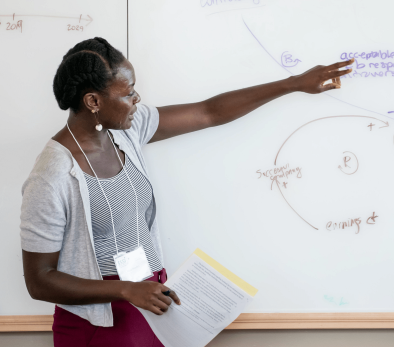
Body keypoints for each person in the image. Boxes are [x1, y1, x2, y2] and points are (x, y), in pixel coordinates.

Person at [20, 37, 353, 346]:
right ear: (93, 101)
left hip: (151, 302)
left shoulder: (126, 131)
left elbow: (208, 112)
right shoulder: (52, 175)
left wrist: (293, 84)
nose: (137, 100)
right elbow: (39, 280)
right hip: (100, 321)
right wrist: (125, 290)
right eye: (128, 92)